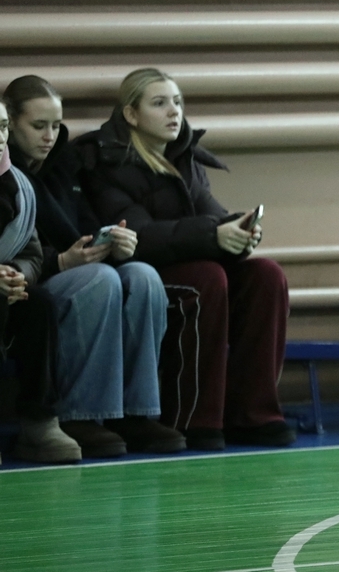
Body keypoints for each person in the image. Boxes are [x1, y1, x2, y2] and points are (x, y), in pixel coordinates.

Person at [76, 68, 294, 450]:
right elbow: (138, 235)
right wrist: (213, 235)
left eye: (177, 102)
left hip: (187, 262)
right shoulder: (106, 163)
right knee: (205, 279)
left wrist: (239, 233)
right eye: (159, 103)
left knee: (265, 274)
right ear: (131, 114)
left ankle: (252, 414)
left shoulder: (184, 157)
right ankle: (193, 416)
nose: (173, 112)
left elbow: (213, 215)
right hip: (137, 274)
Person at [5, 75, 184, 457]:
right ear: (11, 124)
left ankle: (136, 412)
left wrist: (115, 243)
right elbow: (22, 250)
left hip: (74, 267)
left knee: (142, 275)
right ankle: (82, 414)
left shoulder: (64, 165)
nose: (49, 136)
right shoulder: (9, 177)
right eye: (38, 126)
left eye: (57, 125)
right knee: (99, 280)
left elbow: (85, 224)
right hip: (39, 278)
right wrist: (61, 261)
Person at [0, 100, 82, 464]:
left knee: (37, 303)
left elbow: (32, 254)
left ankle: (39, 423)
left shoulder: (18, 186)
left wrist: (17, 276)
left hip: (4, 287)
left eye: (2, 127)